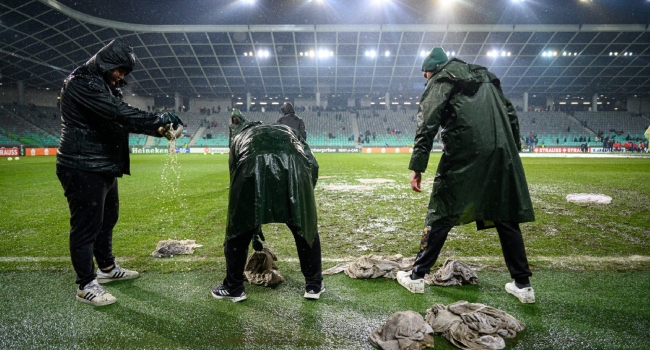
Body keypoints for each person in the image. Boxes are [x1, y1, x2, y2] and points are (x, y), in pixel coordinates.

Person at [397, 47, 536, 304]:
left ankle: (417, 277)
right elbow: (511, 114)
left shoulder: (441, 79)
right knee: (505, 215)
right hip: (501, 153)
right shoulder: (486, 77)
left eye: (425, 76)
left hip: (465, 152)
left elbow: (427, 124)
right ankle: (523, 285)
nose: (426, 80)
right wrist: (512, 149)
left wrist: (417, 166)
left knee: (442, 211)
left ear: (430, 70)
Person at [56, 38, 184, 306]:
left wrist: (157, 130)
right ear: (108, 62)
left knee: (107, 218)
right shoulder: (82, 81)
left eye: (124, 73)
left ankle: (106, 269)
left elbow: (118, 120)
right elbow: (116, 112)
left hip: (101, 164)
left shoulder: (103, 84)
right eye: (120, 70)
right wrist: (158, 119)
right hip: (82, 164)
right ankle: (85, 285)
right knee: (86, 226)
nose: (120, 76)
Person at [212, 109, 323, 302]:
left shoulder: (239, 138)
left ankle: (234, 287)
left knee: (238, 227)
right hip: (295, 168)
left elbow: (235, 175)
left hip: (250, 167)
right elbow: (312, 164)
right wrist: (305, 196)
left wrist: (251, 225)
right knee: (305, 227)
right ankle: (313, 285)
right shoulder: (286, 131)